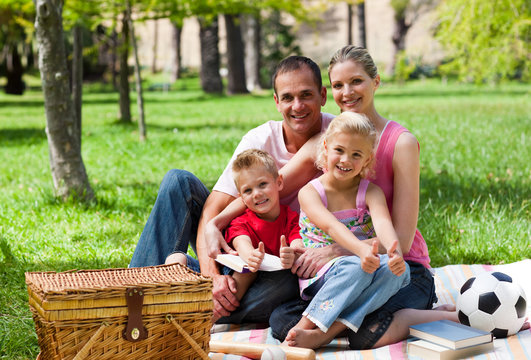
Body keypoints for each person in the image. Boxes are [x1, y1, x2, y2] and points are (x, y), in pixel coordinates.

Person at [269, 45, 459, 349]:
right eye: (338, 85)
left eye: (356, 81)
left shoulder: (401, 143)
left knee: (367, 333)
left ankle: (429, 316)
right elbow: (276, 185)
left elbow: (403, 242)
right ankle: (331, 323)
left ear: (376, 82)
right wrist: (217, 219)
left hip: (400, 267)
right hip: (349, 272)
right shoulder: (329, 138)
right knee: (282, 322)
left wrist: (336, 252)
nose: (347, 92)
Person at [129, 55, 334, 324]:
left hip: (280, 261)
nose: (297, 106)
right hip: (239, 247)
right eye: (287, 97)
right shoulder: (259, 140)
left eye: (306, 95)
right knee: (178, 182)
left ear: (322, 95)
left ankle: (190, 296)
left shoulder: (338, 139)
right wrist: (212, 277)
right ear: (276, 101)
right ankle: (133, 298)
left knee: (287, 280)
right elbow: (212, 212)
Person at [283, 112, 410, 349]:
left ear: (367, 160)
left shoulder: (371, 192)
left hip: (363, 265)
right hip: (324, 274)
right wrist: (361, 250)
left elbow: (383, 225)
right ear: (326, 148)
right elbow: (332, 226)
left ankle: (326, 334)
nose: (346, 160)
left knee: (401, 274)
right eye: (339, 150)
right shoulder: (310, 193)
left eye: (356, 154)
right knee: (355, 267)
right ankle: (303, 325)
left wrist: (394, 253)